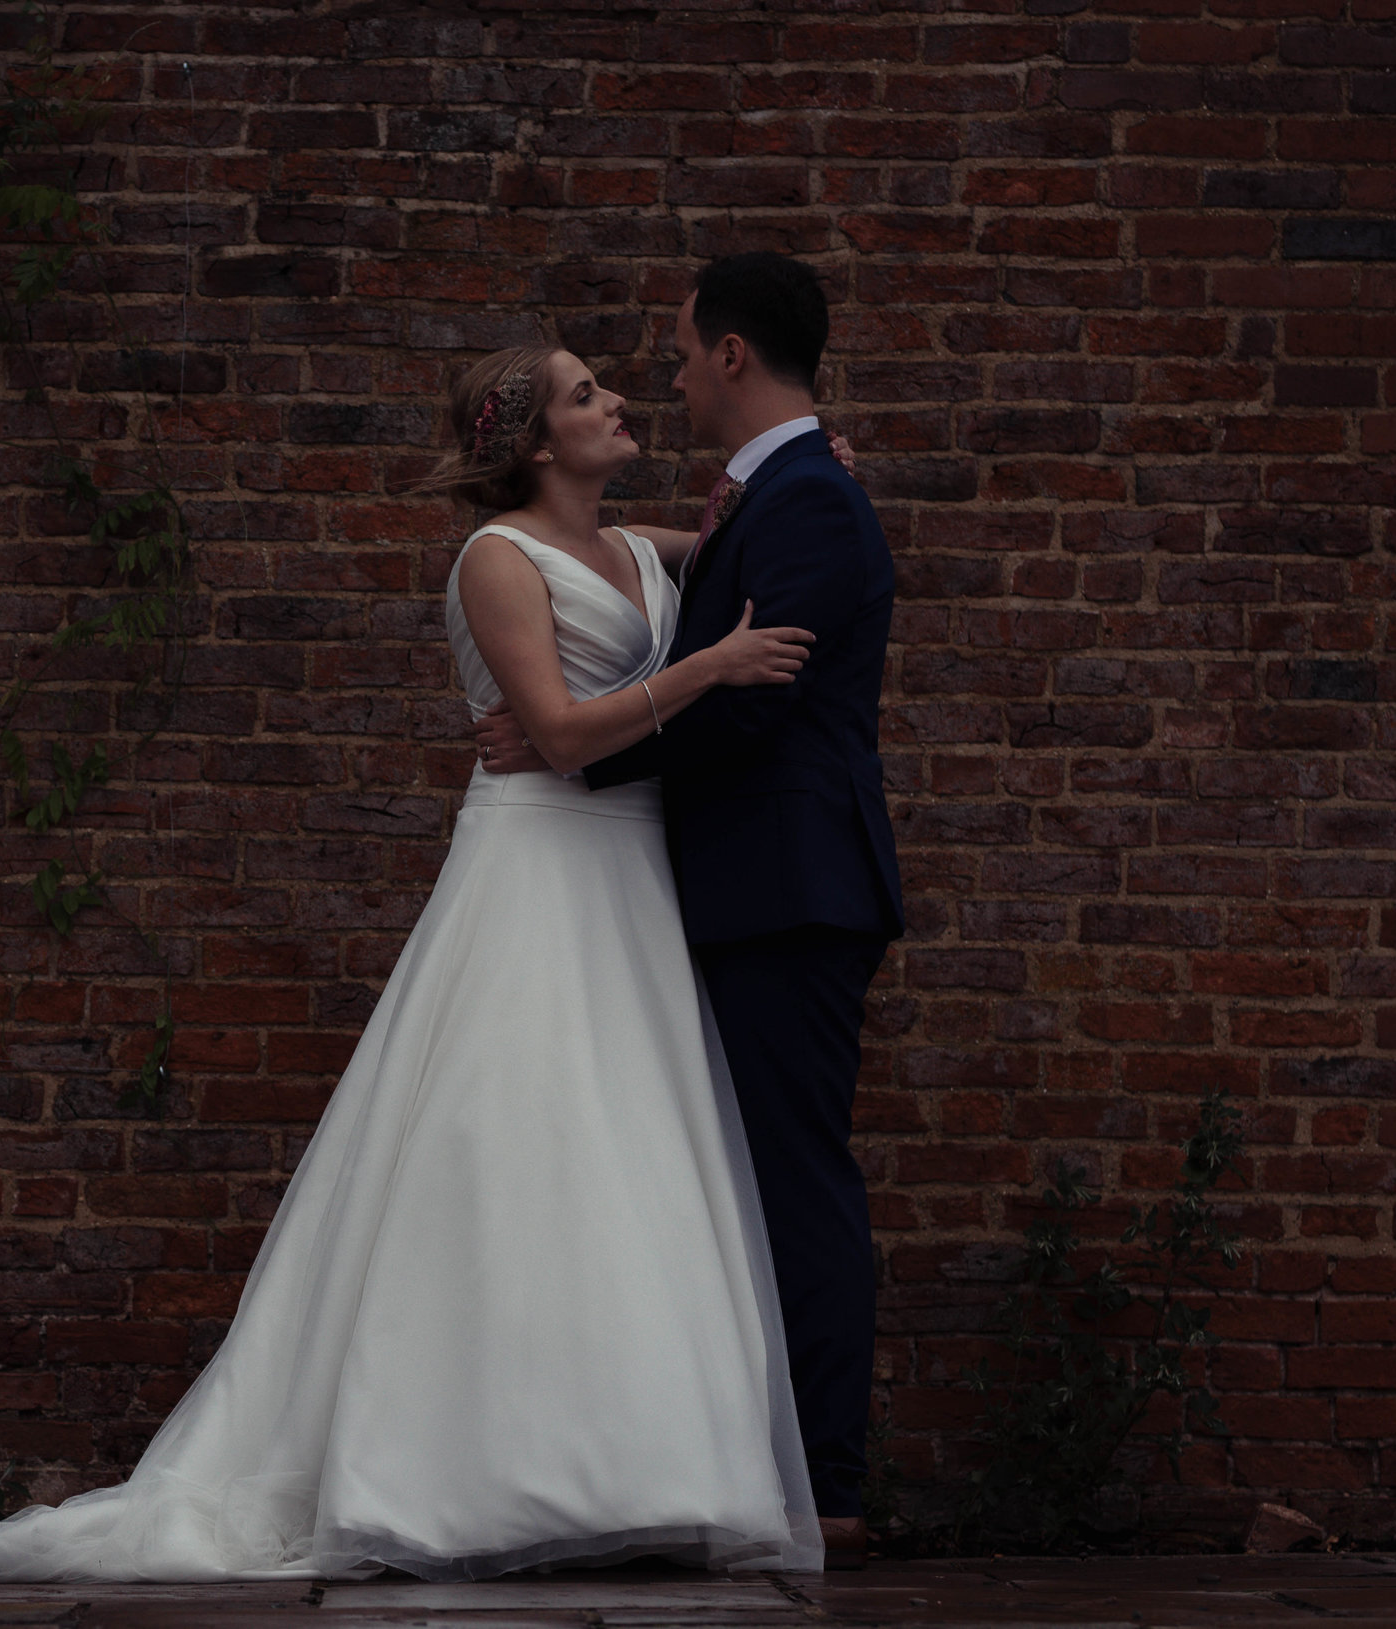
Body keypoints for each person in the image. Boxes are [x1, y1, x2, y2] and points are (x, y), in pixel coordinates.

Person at [0, 337, 830, 1584]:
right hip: (544, 864)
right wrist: (709, 666)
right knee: (510, 1143)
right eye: (584, 395)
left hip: (635, 876)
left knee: (626, 1153)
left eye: (609, 385)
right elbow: (557, 737)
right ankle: (452, 1474)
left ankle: (635, 1462)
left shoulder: (635, 548)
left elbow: (734, 535)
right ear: (532, 442)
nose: (615, 402)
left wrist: (799, 475)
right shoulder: (495, 561)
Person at [475, 252, 905, 1571]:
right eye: (600, 383)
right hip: (715, 893)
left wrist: (576, 755)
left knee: (791, 1181)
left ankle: (825, 1482)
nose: (655, 377)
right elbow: (678, 588)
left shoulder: (809, 506)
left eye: (670, 351)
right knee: (710, 1184)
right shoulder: (751, 506)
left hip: (785, 893)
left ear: (731, 355)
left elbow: (756, 703)